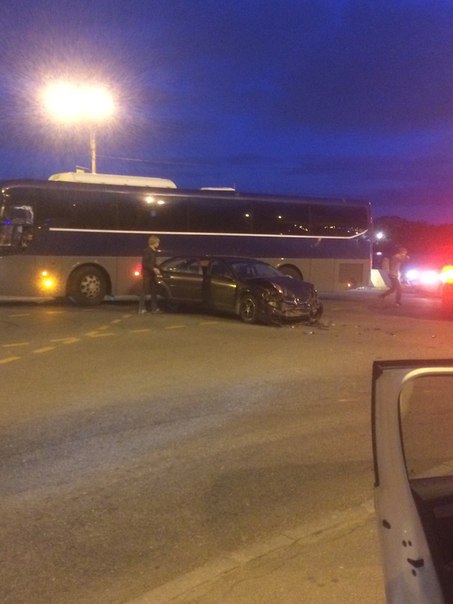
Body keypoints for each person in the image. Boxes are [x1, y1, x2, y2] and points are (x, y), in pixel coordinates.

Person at [138, 235, 162, 313]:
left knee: (153, 291)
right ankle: (141, 308)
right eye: (157, 242)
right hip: (147, 274)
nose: (158, 244)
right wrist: (153, 268)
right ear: (154, 242)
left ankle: (154, 308)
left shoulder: (153, 251)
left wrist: (158, 268)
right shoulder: (147, 251)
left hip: (151, 274)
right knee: (144, 291)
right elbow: (145, 263)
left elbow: (153, 262)